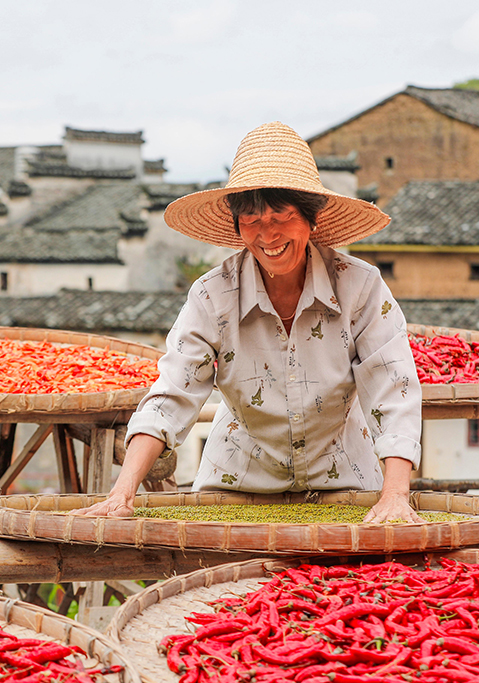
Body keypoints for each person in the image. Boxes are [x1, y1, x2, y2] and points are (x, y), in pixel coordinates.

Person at [76, 121, 423, 523]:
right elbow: (172, 393)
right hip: (236, 482)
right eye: (252, 219)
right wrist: (122, 492)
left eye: (282, 215)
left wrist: (395, 494)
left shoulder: (359, 287)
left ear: (310, 219)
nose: (268, 235)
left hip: (343, 480)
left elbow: (392, 387)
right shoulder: (213, 296)